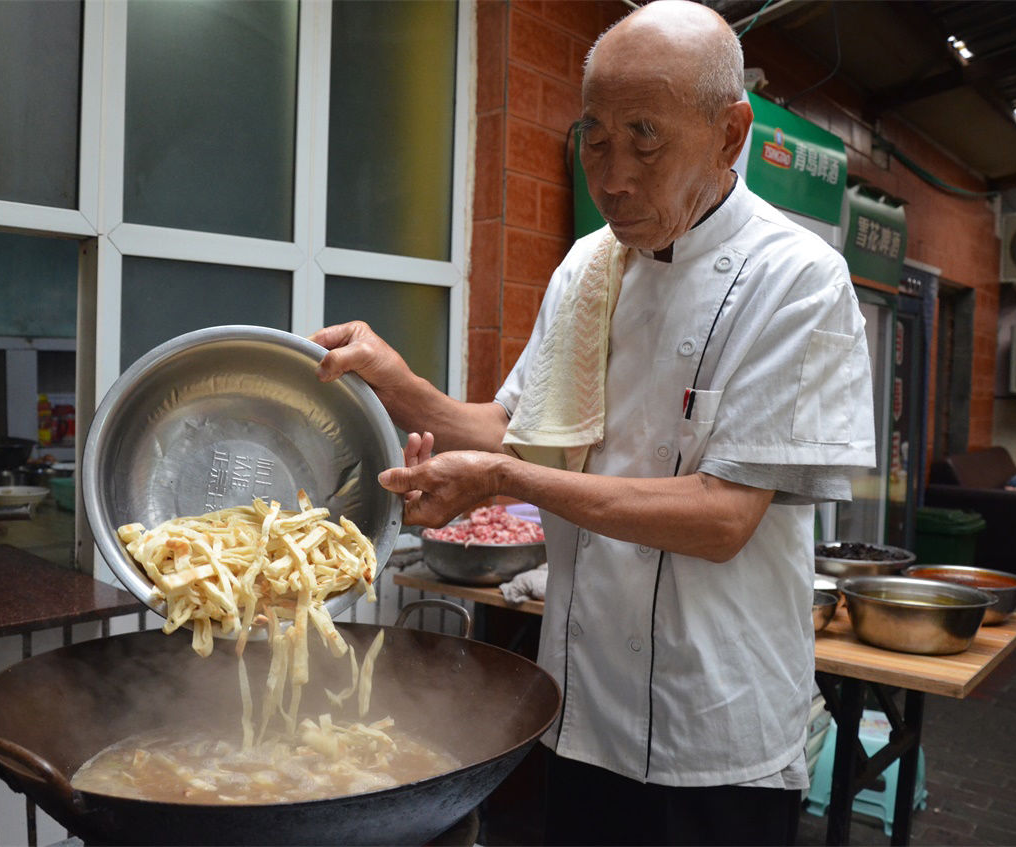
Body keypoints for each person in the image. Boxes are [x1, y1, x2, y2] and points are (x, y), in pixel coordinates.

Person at [311, 2, 876, 844]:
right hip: (579, 708)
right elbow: (514, 428)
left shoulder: (795, 280)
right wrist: (397, 385)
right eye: (595, 138)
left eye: (645, 137)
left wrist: (503, 482)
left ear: (730, 134)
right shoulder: (588, 264)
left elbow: (722, 517)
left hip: (712, 733)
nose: (612, 177)